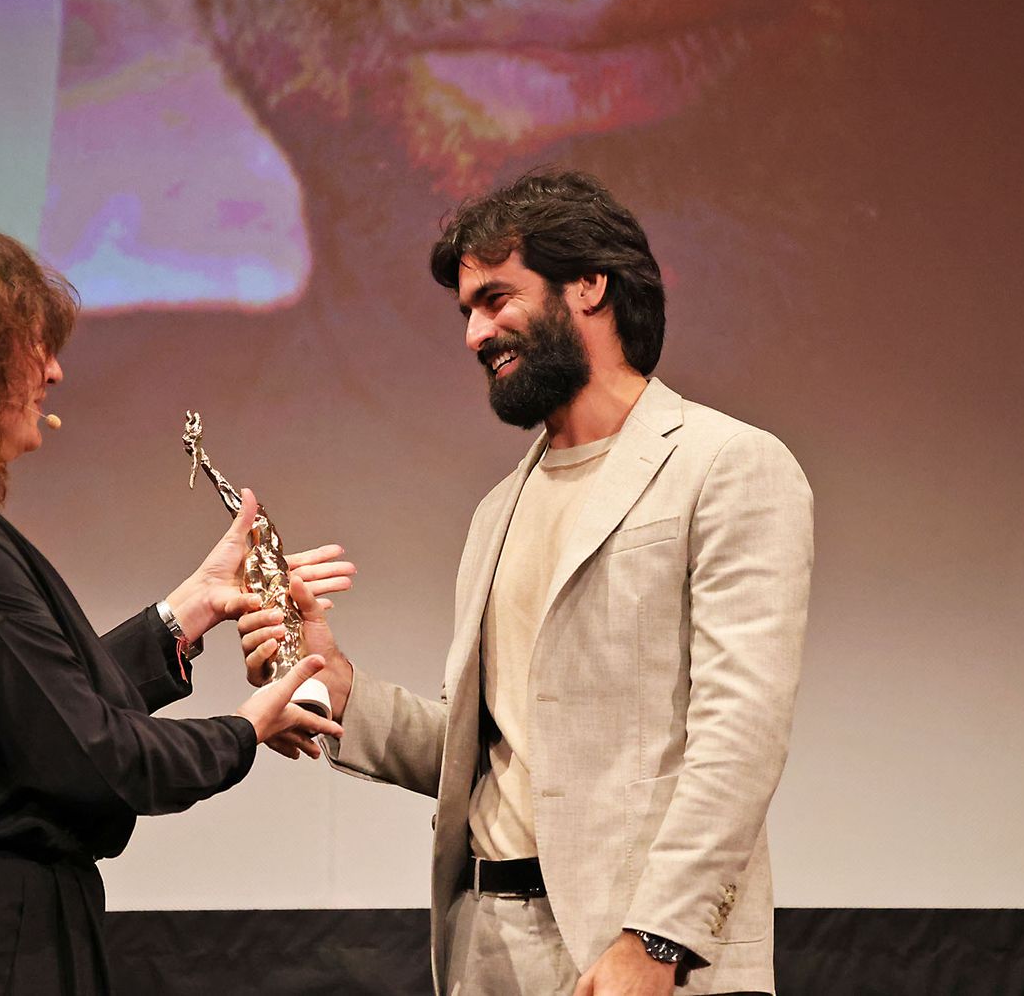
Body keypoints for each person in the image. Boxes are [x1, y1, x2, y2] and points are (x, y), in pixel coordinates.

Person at [240, 170, 814, 995]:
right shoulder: (497, 511)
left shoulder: (727, 466)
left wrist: (656, 940)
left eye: (498, 298)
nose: (476, 333)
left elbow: (741, 737)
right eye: (468, 311)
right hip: (487, 946)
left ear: (589, 284)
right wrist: (340, 688)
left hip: (643, 957)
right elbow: (496, 752)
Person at [0, 225, 349, 994]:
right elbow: (92, 754)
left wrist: (187, 610)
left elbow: (37, 702)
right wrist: (245, 729)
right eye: (30, 347)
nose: (53, 370)